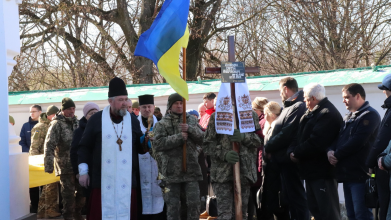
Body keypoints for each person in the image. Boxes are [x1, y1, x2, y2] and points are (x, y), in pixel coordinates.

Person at [77, 77, 144, 220]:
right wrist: (83, 171)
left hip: (126, 180)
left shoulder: (132, 119)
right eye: (120, 100)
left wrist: (147, 142)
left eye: (126, 99)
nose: (125, 103)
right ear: (110, 101)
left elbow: (140, 147)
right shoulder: (96, 119)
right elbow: (84, 147)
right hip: (102, 180)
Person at [328, 83, 380, 220]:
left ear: (358, 96)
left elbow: (357, 141)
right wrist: (330, 151)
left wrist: (337, 155)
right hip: (348, 174)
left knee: (362, 215)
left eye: (346, 97)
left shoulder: (370, 115)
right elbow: (339, 137)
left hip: (360, 175)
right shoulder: (349, 116)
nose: (343, 100)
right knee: (351, 215)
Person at [290, 83, 342, 220]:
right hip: (311, 170)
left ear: (313, 98)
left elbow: (316, 141)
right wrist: (293, 150)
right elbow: (299, 134)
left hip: (322, 172)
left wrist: (296, 152)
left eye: (306, 99)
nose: (305, 103)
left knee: (327, 211)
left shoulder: (327, 113)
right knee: (316, 209)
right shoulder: (313, 112)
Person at [203, 103, 262, 220]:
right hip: (222, 174)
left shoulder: (250, 115)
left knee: (240, 213)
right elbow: (207, 144)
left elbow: (259, 140)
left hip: (244, 173)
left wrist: (244, 137)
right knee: (225, 215)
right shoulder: (217, 117)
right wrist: (224, 154)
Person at [153, 93, 205, 220]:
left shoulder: (191, 120)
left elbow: (203, 139)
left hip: (191, 170)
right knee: (173, 206)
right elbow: (158, 144)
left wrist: (190, 130)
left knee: (193, 204)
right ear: (170, 106)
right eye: (176, 103)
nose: (179, 106)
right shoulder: (162, 124)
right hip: (171, 173)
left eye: (181, 103)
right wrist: (179, 138)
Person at [263, 77, 309, 220]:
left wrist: (268, 146)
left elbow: (286, 133)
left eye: (280, 90)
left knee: (297, 198)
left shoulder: (298, 106)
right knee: (289, 199)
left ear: (285, 89)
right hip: (282, 161)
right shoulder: (288, 107)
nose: (280, 94)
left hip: (290, 160)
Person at [44, 98, 85, 220]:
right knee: (68, 196)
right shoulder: (56, 124)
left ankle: (77, 213)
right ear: (63, 110)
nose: (72, 111)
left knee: (82, 193)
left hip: (78, 165)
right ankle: (68, 216)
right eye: (69, 109)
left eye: (73, 108)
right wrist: (49, 165)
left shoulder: (77, 122)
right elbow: (49, 145)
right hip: (65, 166)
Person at [366, 73, 391, 220]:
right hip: (384, 165)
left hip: (385, 170)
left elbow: (382, 140)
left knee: (385, 208)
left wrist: (372, 161)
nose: (383, 92)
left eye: (385, 89)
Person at [259, 101, 290, 220]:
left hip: (276, 169)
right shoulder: (270, 125)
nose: (264, 116)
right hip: (270, 167)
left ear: (271, 114)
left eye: (265, 113)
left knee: (278, 203)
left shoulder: (277, 126)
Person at [137, 94, 165, 219]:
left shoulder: (162, 124)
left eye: (149, 106)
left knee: (159, 197)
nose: (147, 109)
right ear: (139, 108)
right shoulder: (134, 123)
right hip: (140, 167)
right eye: (144, 107)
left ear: (153, 107)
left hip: (157, 166)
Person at [29, 105, 61, 218]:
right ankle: (47, 210)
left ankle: (47, 210)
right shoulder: (41, 127)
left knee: (51, 187)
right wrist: (37, 163)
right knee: (48, 187)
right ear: (50, 115)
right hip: (42, 162)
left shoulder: (54, 125)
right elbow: (34, 147)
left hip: (52, 160)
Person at [70, 102, 99, 202]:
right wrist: (78, 172)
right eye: (91, 113)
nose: (94, 115)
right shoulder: (79, 131)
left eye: (96, 113)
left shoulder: (102, 128)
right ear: (86, 115)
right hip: (86, 169)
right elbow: (74, 152)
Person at [248, 97, 268, 220]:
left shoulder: (261, 123)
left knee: (259, 199)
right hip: (258, 162)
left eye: (253, 109)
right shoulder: (263, 121)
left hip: (259, 163)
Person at [21, 104, 42, 213]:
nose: (31, 113)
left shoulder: (44, 125)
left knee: (43, 185)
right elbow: (22, 142)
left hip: (42, 160)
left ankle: (43, 208)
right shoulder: (25, 126)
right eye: (30, 111)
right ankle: (34, 207)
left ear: (40, 112)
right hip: (30, 160)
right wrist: (29, 154)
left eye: (34, 111)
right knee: (33, 185)